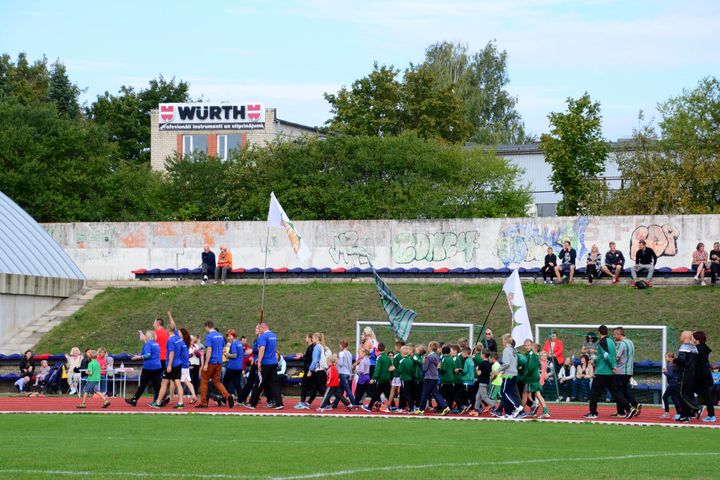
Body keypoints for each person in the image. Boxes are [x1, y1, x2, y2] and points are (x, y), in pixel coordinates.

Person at [584, 325, 634, 419]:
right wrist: (595, 361)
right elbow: (609, 355)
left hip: (602, 372)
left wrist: (613, 366)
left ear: (599, 332)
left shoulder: (602, 342)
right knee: (616, 392)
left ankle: (593, 413)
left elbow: (606, 356)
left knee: (594, 392)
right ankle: (629, 408)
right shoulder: (611, 341)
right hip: (610, 373)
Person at [245, 323, 284, 410]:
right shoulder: (274, 336)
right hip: (273, 362)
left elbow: (261, 349)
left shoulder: (263, 337)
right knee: (274, 384)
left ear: (262, 328)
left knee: (258, 383)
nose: (259, 330)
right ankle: (279, 403)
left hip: (265, 363)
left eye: (259, 329)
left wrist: (259, 362)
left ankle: (252, 403)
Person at [196, 320, 233, 409]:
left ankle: (204, 402)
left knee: (204, 380)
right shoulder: (220, 336)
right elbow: (224, 349)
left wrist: (205, 364)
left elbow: (209, 350)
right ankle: (227, 395)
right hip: (219, 362)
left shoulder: (209, 336)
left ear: (207, 326)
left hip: (211, 361)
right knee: (217, 381)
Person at [126, 330, 162, 406]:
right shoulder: (156, 344)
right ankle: (159, 400)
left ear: (148, 336)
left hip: (149, 367)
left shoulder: (148, 344)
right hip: (157, 367)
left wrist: (138, 357)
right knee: (157, 386)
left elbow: (147, 355)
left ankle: (134, 400)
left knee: (142, 385)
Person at [612, 327, 641, 418]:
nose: (614, 337)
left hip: (621, 371)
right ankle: (634, 404)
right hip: (629, 370)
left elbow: (616, 357)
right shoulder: (630, 342)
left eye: (614, 335)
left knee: (617, 392)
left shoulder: (621, 343)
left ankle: (623, 411)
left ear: (619, 334)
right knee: (624, 390)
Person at [415, 341, 450, 416]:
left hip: (428, 377)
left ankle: (421, 409)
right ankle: (445, 407)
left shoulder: (429, 357)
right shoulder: (437, 356)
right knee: (436, 393)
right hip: (435, 377)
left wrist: (423, 364)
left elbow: (425, 368)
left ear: (430, 348)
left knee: (424, 393)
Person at [674, 331, 699, 422]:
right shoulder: (694, 348)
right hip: (692, 373)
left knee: (681, 394)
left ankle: (696, 408)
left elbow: (681, 360)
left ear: (685, 337)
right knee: (687, 393)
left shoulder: (684, 347)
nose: (680, 337)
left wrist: (675, 360)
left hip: (684, 372)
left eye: (681, 335)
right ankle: (684, 415)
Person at [497, 333, 523, 418]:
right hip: (514, 374)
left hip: (508, 375)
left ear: (505, 341)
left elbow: (506, 364)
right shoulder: (513, 350)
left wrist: (497, 370)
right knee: (509, 393)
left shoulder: (506, 350)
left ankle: (517, 406)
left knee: (505, 392)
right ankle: (508, 413)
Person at [692, 331, 715, 422]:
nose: (692, 339)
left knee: (687, 391)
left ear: (697, 339)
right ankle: (710, 414)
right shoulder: (705, 347)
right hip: (706, 373)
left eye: (693, 337)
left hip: (699, 374)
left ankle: (695, 409)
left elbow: (693, 362)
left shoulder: (697, 349)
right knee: (706, 395)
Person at [366, 343, 392, 412]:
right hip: (387, 378)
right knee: (387, 393)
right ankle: (393, 405)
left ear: (378, 349)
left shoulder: (379, 358)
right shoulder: (388, 358)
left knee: (377, 393)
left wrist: (373, 378)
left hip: (381, 378)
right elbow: (390, 368)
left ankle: (370, 406)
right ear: (385, 349)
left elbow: (377, 369)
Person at [294, 334, 316, 410]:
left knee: (305, 385)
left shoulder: (311, 347)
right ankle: (306, 402)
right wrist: (302, 355)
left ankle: (303, 402)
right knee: (313, 386)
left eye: (306, 337)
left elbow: (309, 359)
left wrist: (301, 357)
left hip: (309, 369)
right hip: (310, 369)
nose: (305, 339)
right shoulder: (311, 347)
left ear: (310, 338)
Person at [223, 329, 244, 400]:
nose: (228, 338)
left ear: (233, 336)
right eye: (227, 336)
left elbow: (234, 355)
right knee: (237, 384)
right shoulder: (239, 343)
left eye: (230, 336)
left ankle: (224, 399)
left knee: (225, 382)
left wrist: (227, 354)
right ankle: (241, 399)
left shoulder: (234, 344)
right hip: (239, 367)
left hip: (232, 366)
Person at [470, 350, 493, 416]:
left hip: (482, 382)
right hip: (487, 382)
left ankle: (494, 407)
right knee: (478, 397)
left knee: (484, 397)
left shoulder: (481, 363)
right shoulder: (489, 364)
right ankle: (476, 410)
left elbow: (479, 373)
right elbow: (490, 373)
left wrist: (476, 369)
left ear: (483, 355)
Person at [336, 340, 357, 407]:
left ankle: (353, 403)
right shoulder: (350, 353)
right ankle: (335, 403)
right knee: (341, 390)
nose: (339, 346)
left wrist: (337, 360)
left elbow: (341, 364)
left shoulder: (341, 353)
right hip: (347, 373)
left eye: (340, 345)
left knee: (347, 390)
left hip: (343, 373)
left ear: (342, 345)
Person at [661, 352, 680, 419]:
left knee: (665, 397)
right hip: (676, 383)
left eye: (666, 357)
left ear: (670, 357)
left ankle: (667, 413)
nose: (665, 358)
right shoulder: (675, 364)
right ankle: (679, 413)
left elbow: (670, 375)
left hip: (673, 384)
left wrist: (664, 372)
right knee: (674, 398)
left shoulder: (670, 365)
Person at [438, 345, 456, 412]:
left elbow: (443, 369)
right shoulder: (451, 359)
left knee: (441, 395)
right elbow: (454, 369)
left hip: (445, 380)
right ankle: (450, 407)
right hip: (451, 379)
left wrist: (438, 368)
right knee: (450, 395)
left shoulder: (444, 359)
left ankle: (441, 408)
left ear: (442, 352)